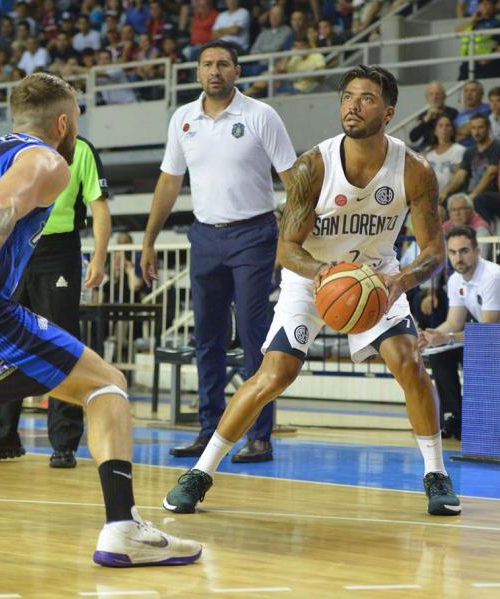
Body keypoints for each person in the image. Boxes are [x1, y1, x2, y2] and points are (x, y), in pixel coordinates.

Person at [0, 72, 201, 567]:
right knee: (107, 385)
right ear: (63, 123)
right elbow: (0, 207)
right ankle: (123, 527)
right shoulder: (46, 159)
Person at [163, 64, 462, 517]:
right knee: (274, 374)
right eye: (347, 97)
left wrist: (400, 280)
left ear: (388, 112)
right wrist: (325, 273)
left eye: (365, 98)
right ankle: (200, 473)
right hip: (313, 278)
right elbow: (287, 249)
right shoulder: (313, 166)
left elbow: (434, 250)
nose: (352, 106)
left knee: (410, 363)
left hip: (379, 276)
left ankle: (436, 474)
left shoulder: (415, 170)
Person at [141, 40, 296, 463]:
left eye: (223, 64)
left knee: (253, 338)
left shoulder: (261, 115)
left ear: (237, 71)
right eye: (207, 64)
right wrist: (149, 239)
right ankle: (210, 432)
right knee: (205, 339)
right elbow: (169, 182)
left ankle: (259, 436)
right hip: (204, 237)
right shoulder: (183, 119)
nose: (215, 71)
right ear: (197, 72)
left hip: (254, 235)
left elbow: (294, 181)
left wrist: (289, 240)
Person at [0, 133, 111, 468]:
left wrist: (99, 258)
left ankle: (64, 442)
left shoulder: (82, 148)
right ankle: (1, 438)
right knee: (2, 337)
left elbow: (99, 205)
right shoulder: (15, 150)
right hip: (13, 247)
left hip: (58, 251)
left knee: (61, 341)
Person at [419, 225, 500, 439]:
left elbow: (489, 332)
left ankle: (478, 419)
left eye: (464, 251)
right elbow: (453, 323)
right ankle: (456, 416)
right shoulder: (456, 279)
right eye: (453, 252)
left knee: (472, 352)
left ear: (476, 251)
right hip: (496, 340)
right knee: (439, 354)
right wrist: (431, 337)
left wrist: (448, 338)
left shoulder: (492, 277)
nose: (458, 258)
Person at [439, 113, 500, 226]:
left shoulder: (497, 146)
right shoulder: (470, 151)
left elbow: (491, 173)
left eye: (480, 127)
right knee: (448, 201)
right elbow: (460, 175)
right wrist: (445, 192)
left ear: (488, 128)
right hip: (475, 193)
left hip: (496, 193)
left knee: (479, 200)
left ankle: (482, 233)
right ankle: (449, 235)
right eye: (473, 128)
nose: (476, 132)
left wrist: (474, 194)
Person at [456, 0, 500, 81]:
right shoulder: (473, 23)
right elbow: (457, 33)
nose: (484, 6)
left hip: (486, 67)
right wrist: (473, 19)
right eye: (481, 4)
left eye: (487, 3)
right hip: (467, 64)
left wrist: (489, 58)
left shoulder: (498, 24)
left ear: (493, 6)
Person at [409, 82, 458, 151]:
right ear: (427, 98)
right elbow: (413, 137)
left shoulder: (452, 112)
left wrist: (440, 114)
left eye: (437, 94)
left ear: (444, 96)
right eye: (431, 94)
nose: (434, 97)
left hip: (446, 146)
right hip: (426, 146)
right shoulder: (423, 115)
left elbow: (457, 133)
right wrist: (426, 119)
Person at [425, 115, 465, 195]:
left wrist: (446, 192)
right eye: (440, 125)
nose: (444, 128)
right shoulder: (428, 154)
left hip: (451, 194)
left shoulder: (459, 150)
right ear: (435, 131)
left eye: (448, 125)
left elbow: (459, 177)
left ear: (452, 130)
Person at [454, 80, 490, 147]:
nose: (468, 94)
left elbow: (468, 129)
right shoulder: (459, 116)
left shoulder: (488, 109)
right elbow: (454, 137)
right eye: (466, 91)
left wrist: (462, 132)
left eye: (473, 90)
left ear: (481, 94)